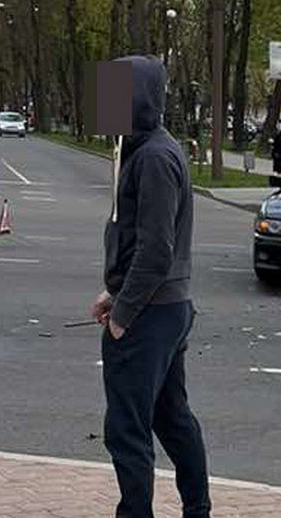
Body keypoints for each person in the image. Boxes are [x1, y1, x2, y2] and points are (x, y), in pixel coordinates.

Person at [90, 55, 210, 518]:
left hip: (149, 315)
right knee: (171, 418)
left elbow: (157, 249)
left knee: (127, 429)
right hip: (164, 307)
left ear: (137, 98)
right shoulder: (147, 149)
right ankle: (198, 509)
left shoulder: (154, 157)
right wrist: (114, 291)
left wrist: (123, 313)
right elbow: (140, 238)